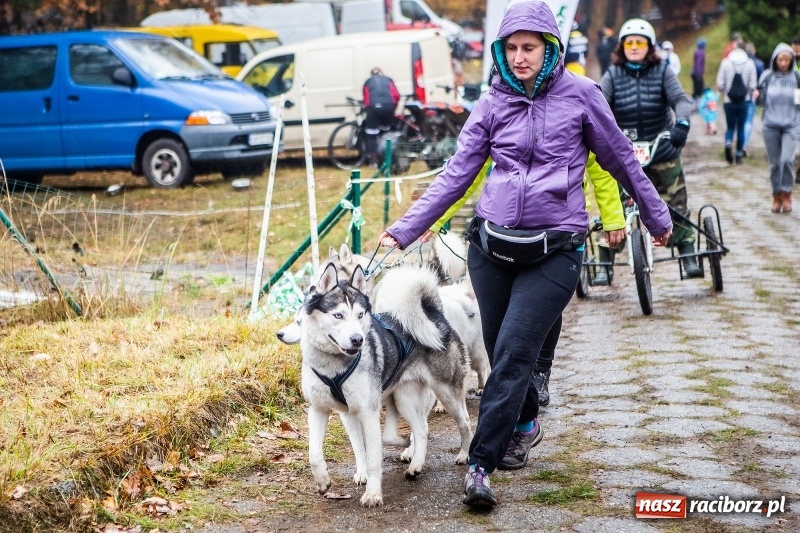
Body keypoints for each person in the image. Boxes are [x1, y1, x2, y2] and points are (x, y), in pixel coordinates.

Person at [377, 1, 672, 509]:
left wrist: (656, 215)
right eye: (511, 48)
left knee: (511, 353)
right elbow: (457, 173)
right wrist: (405, 230)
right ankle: (527, 416)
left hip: (555, 248)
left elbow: (621, 158)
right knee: (507, 351)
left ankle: (479, 465)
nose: (519, 57)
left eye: (529, 48)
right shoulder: (491, 103)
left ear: (550, 49)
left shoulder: (583, 97)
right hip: (491, 249)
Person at [600, 18, 701, 278]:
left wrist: (682, 123)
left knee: (674, 201)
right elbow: (598, 106)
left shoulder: (663, 71)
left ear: (649, 46)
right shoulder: (612, 74)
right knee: (616, 206)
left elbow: (680, 99)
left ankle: (687, 252)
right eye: (630, 43)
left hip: (661, 148)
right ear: (622, 47)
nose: (634, 47)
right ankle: (605, 261)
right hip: (625, 153)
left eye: (640, 43)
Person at [757, 43, 800, 214]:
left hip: (791, 125)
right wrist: (757, 96)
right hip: (770, 125)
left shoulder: (796, 78)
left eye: (787, 60)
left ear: (792, 61)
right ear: (775, 60)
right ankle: (776, 195)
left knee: (787, 160)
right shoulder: (768, 77)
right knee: (774, 164)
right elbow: (760, 102)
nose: (783, 63)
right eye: (780, 59)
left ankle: (787, 192)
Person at [716, 42, 758, 165]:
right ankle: (739, 154)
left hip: (728, 102)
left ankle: (728, 143)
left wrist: (725, 92)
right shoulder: (750, 63)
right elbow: (753, 85)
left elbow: (720, 84)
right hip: (744, 101)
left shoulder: (725, 62)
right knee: (741, 127)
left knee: (730, 126)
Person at [362, 67, 400, 167]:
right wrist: (393, 108)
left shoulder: (367, 82)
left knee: (371, 134)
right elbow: (396, 95)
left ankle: (373, 161)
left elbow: (366, 99)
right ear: (381, 73)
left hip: (373, 107)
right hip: (388, 106)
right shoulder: (388, 79)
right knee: (387, 131)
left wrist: (368, 109)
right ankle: (388, 159)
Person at [742, 42, 765, 157]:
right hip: (752, 94)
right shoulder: (759, 63)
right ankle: (745, 144)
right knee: (748, 121)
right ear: (754, 50)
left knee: (740, 121)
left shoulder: (742, 63)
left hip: (740, 96)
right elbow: (762, 82)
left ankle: (740, 143)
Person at [691, 38, 707, 110]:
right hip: (697, 74)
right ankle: (697, 106)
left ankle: (695, 104)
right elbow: (698, 64)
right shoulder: (701, 53)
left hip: (694, 73)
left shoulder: (696, 51)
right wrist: (699, 74)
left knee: (696, 89)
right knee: (699, 89)